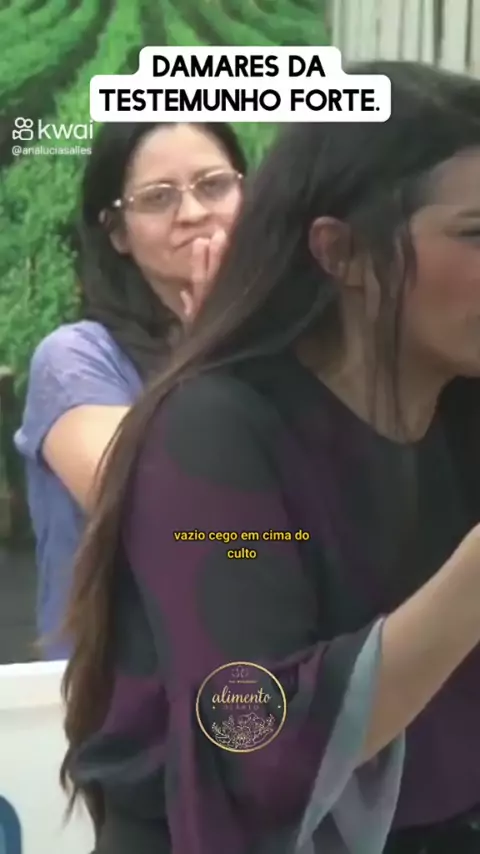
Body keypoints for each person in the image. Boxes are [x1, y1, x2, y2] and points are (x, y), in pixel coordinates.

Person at [59, 61, 480, 853]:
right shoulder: (212, 434)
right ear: (341, 252)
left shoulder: (461, 411)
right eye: (476, 232)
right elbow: (249, 732)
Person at [14, 121, 246, 659]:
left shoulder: (298, 342)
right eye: (159, 197)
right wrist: (217, 351)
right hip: (117, 692)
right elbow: (172, 516)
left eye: (214, 185)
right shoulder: (74, 360)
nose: (193, 213)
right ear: (117, 231)